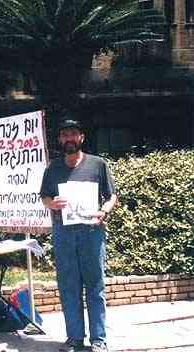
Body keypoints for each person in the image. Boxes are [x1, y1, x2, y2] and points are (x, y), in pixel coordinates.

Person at [39, 118, 117, 352]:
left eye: (73, 134)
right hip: (63, 233)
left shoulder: (98, 164)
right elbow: (44, 197)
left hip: (92, 232)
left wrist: (104, 210)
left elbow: (112, 196)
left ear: (81, 137)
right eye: (65, 135)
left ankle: (99, 341)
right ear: (60, 139)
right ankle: (74, 339)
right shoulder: (53, 168)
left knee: (95, 286)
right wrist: (53, 203)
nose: (69, 139)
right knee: (68, 286)